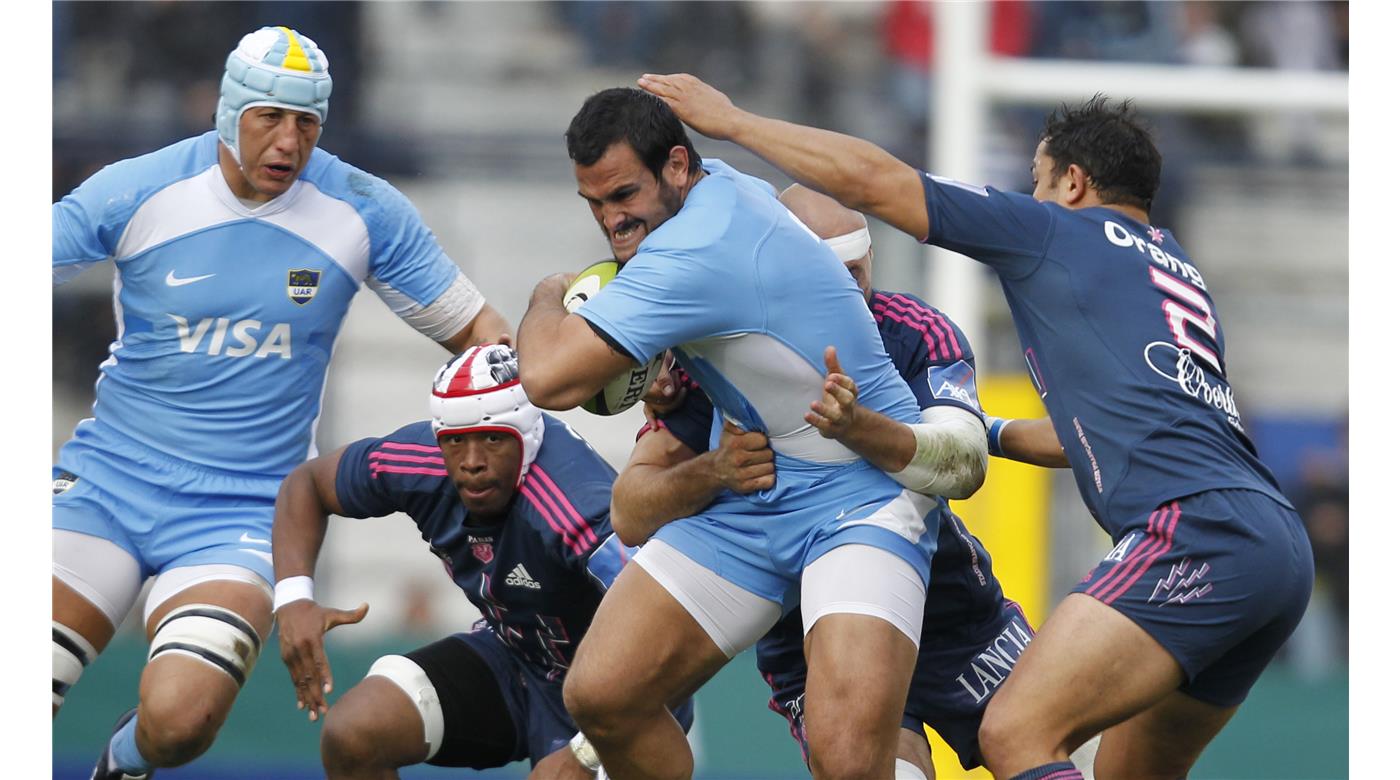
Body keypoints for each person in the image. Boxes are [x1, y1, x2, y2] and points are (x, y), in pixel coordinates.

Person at [638, 74, 1313, 780]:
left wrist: (734, 120)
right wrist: (981, 429)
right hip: (1274, 544)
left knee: (1016, 733)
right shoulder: (1176, 276)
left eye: (1038, 181)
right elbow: (1093, 435)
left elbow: (874, 182)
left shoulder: (1058, 231)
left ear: (1075, 183)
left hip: (1195, 532)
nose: (1032, 198)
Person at [51, 26, 510, 780]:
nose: (288, 142)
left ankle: (120, 763)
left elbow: (482, 337)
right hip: (104, 487)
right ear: (229, 113)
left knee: (180, 724)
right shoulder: (141, 188)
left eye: (307, 123)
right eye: (269, 117)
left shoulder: (363, 209)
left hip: (239, 512)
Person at [516, 88, 954, 779]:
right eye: (594, 204)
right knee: (602, 695)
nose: (611, 220)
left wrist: (548, 293)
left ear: (679, 167)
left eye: (623, 194)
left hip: (862, 495)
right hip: (759, 493)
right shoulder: (712, 195)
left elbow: (547, 380)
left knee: (847, 761)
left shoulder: (697, 247)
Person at [620, 184, 1062, 780]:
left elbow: (964, 461)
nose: (850, 292)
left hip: (946, 612)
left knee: (1052, 745)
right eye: (832, 276)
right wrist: (712, 470)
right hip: (809, 632)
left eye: (859, 271)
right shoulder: (714, 355)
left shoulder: (914, 332)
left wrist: (859, 427)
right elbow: (629, 512)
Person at [271, 344, 680, 779]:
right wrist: (293, 599)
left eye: (492, 440)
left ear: (527, 435)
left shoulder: (577, 507)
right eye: (455, 442)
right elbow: (307, 486)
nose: (471, 464)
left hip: (617, 697)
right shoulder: (421, 460)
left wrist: (585, 751)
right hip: (513, 657)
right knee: (354, 732)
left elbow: (670, 634)